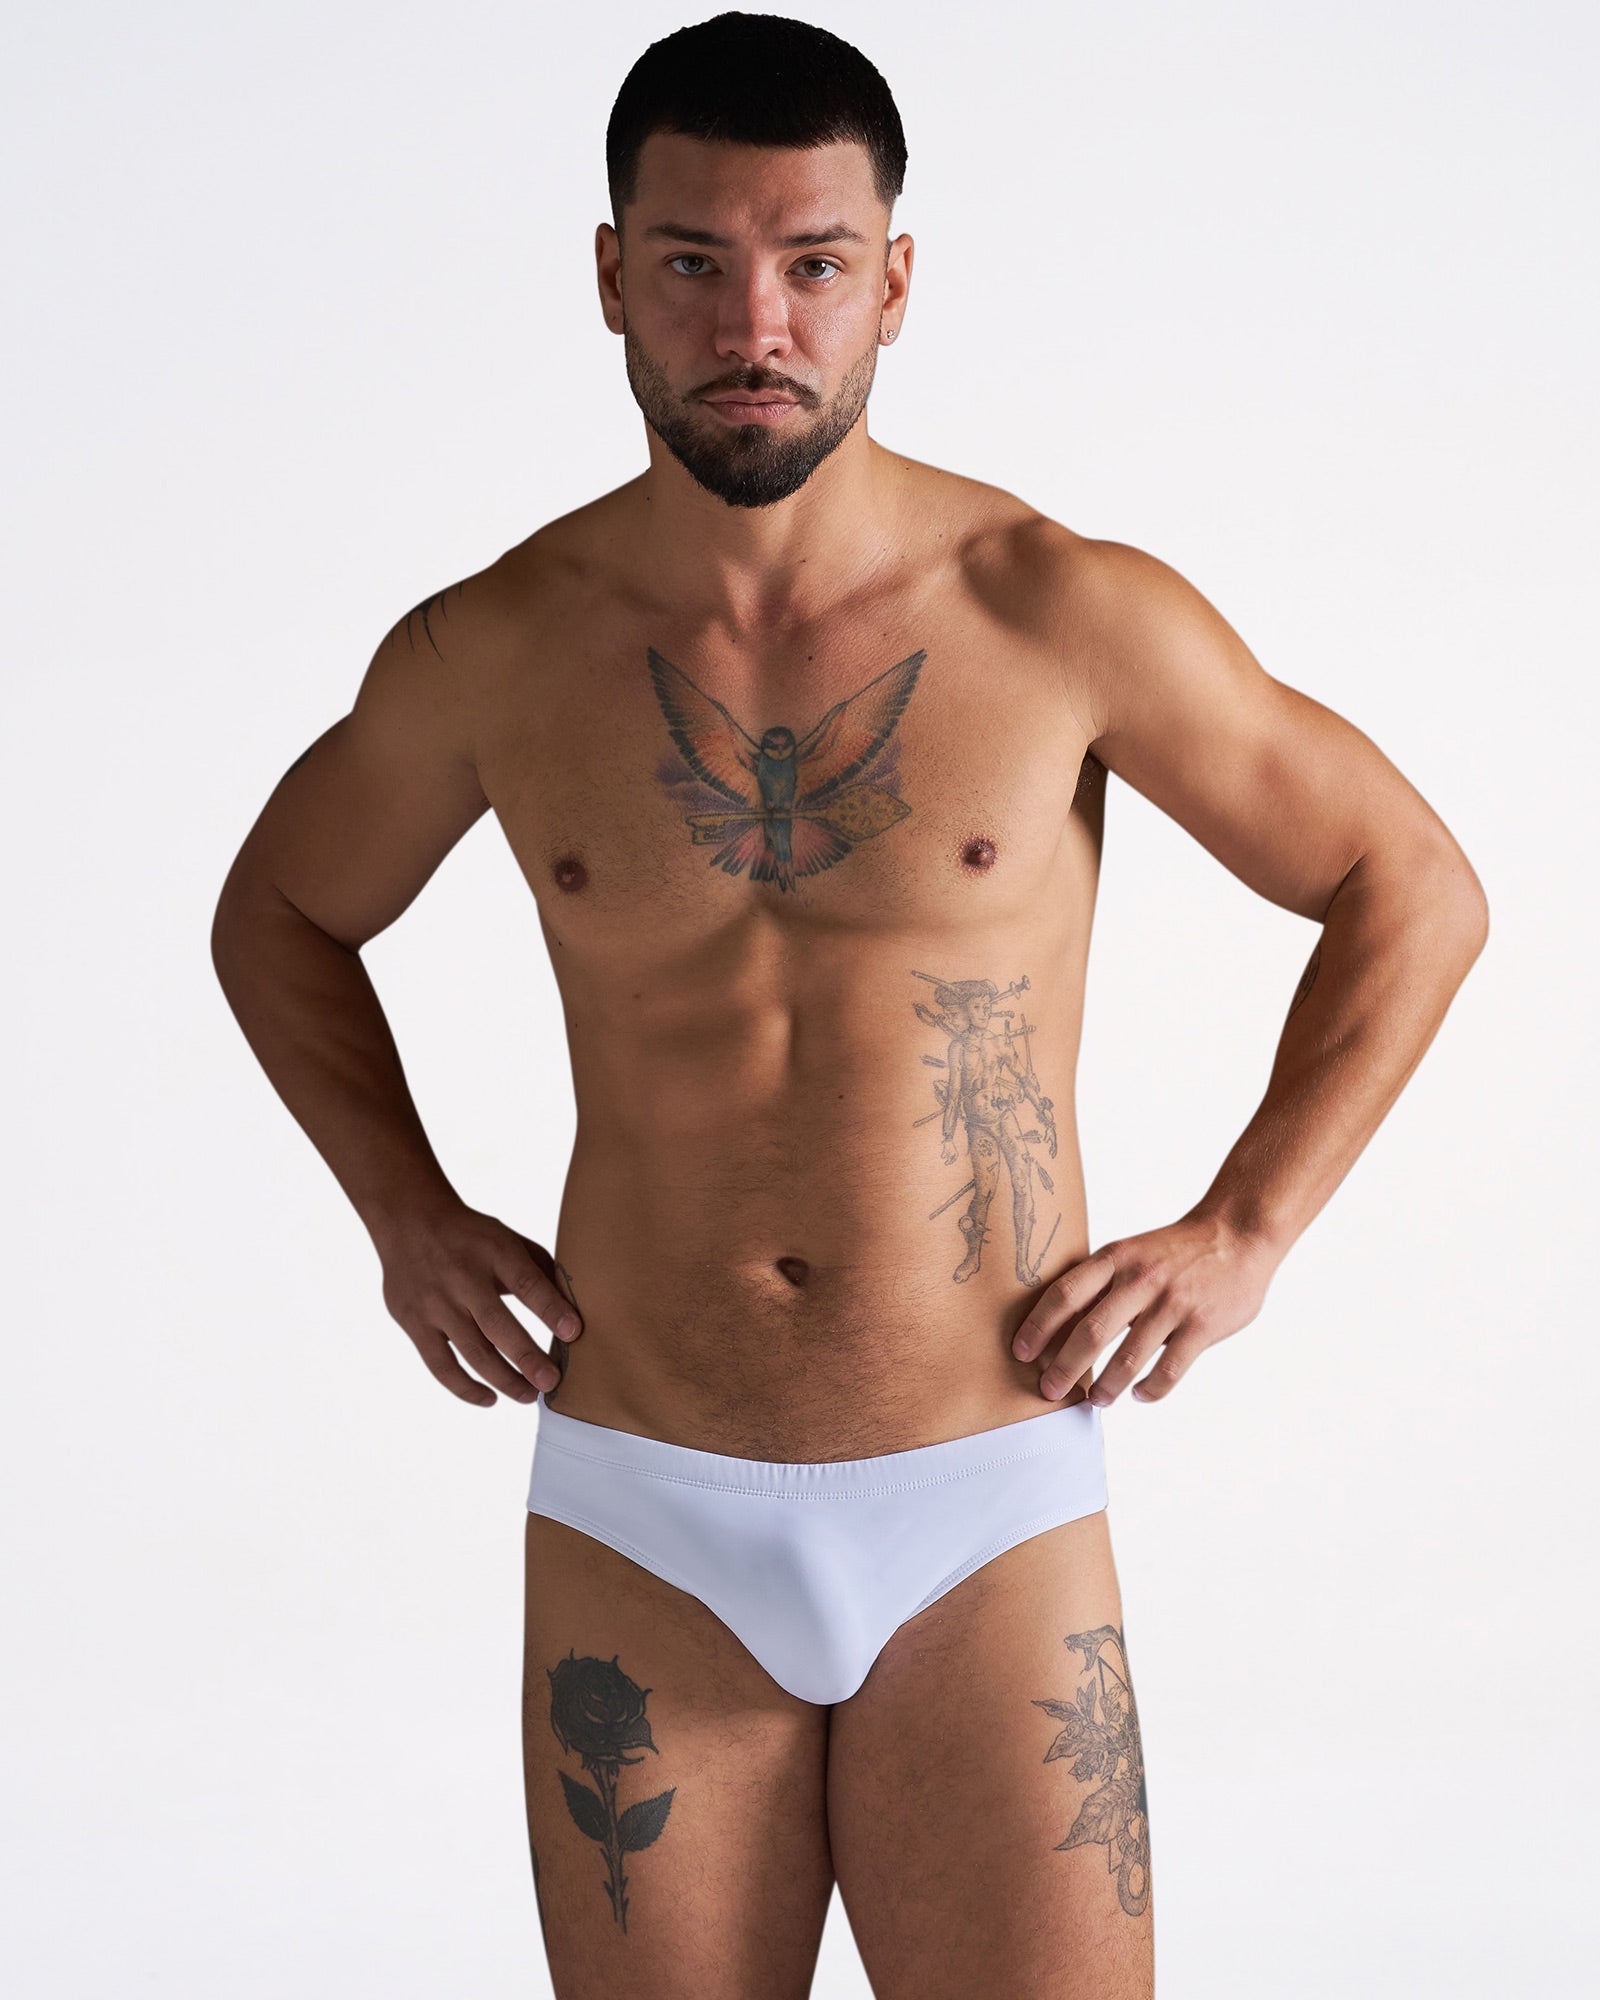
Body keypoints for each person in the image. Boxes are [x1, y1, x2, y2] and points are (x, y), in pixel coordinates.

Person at [209, 13, 1488, 1997]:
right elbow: (280, 908)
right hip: (642, 1503)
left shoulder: (1053, 609)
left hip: (982, 1498)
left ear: (892, 281)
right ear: (610, 275)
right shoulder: (497, 649)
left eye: (811, 263)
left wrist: (1247, 1228)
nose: (756, 323)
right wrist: (404, 1211)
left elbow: (1408, 882)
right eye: (694, 261)